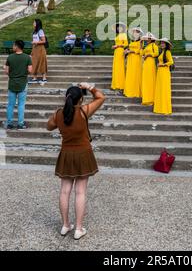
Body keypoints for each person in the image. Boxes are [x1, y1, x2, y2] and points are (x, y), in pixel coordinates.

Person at [47, 83, 105, 240]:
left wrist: (59, 118)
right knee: (80, 192)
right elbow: (101, 97)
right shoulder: (84, 111)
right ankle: (79, 228)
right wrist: (90, 87)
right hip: (83, 154)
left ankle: (65, 225)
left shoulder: (59, 113)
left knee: (65, 191)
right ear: (81, 99)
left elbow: (49, 126)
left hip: (66, 154)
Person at [3, 40, 32, 129]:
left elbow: (7, 71)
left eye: (13, 45)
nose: (13, 47)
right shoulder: (27, 57)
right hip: (23, 83)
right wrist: (23, 72)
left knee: (11, 104)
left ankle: (9, 123)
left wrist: (12, 74)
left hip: (12, 83)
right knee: (21, 104)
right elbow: (30, 70)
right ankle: (20, 123)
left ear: (17, 46)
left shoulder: (10, 57)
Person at [153, 38, 174, 115]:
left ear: (166, 45)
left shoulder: (167, 52)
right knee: (160, 89)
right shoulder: (162, 52)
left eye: (163, 43)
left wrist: (163, 64)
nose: (162, 44)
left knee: (164, 89)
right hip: (160, 72)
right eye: (161, 43)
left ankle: (165, 108)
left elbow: (171, 62)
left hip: (165, 71)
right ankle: (159, 108)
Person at [124, 28, 143, 98]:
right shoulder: (132, 41)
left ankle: (135, 91)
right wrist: (126, 50)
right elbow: (129, 48)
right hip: (130, 59)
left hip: (136, 58)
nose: (135, 34)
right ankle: (129, 91)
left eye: (136, 33)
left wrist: (131, 51)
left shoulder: (140, 41)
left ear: (139, 34)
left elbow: (140, 50)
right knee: (130, 74)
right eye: (134, 33)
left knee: (135, 74)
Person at [141, 33, 159, 106]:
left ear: (152, 39)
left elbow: (156, 54)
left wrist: (148, 55)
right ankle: (145, 98)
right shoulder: (147, 46)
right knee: (145, 80)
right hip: (145, 63)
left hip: (151, 63)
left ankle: (151, 99)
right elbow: (141, 53)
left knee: (150, 80)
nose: (147, 40)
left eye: (149, 39)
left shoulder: (154, 46)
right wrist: (141, 45)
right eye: (147, 39)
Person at [29, 19, 48, 84]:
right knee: (33, 62)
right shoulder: (34, 31)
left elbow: (44, 41)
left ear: (37, 23)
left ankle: (44, 78)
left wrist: (36, 42)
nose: (33, 23)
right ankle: (34, 78)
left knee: (42, 62)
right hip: (35, 48)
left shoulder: (40, 31)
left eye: (34, 22)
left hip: (40, 49)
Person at [111, 22, 128, 91]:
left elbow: (126, 44)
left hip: (120, 51)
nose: (118, 28)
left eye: (120, 27)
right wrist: (115, 46)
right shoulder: (118, 35)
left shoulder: (124, 35)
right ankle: (116, 83)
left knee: (120, 67)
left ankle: (120, 84)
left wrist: (117, 45)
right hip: (116, 51)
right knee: (116, 67)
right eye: (118, 27)